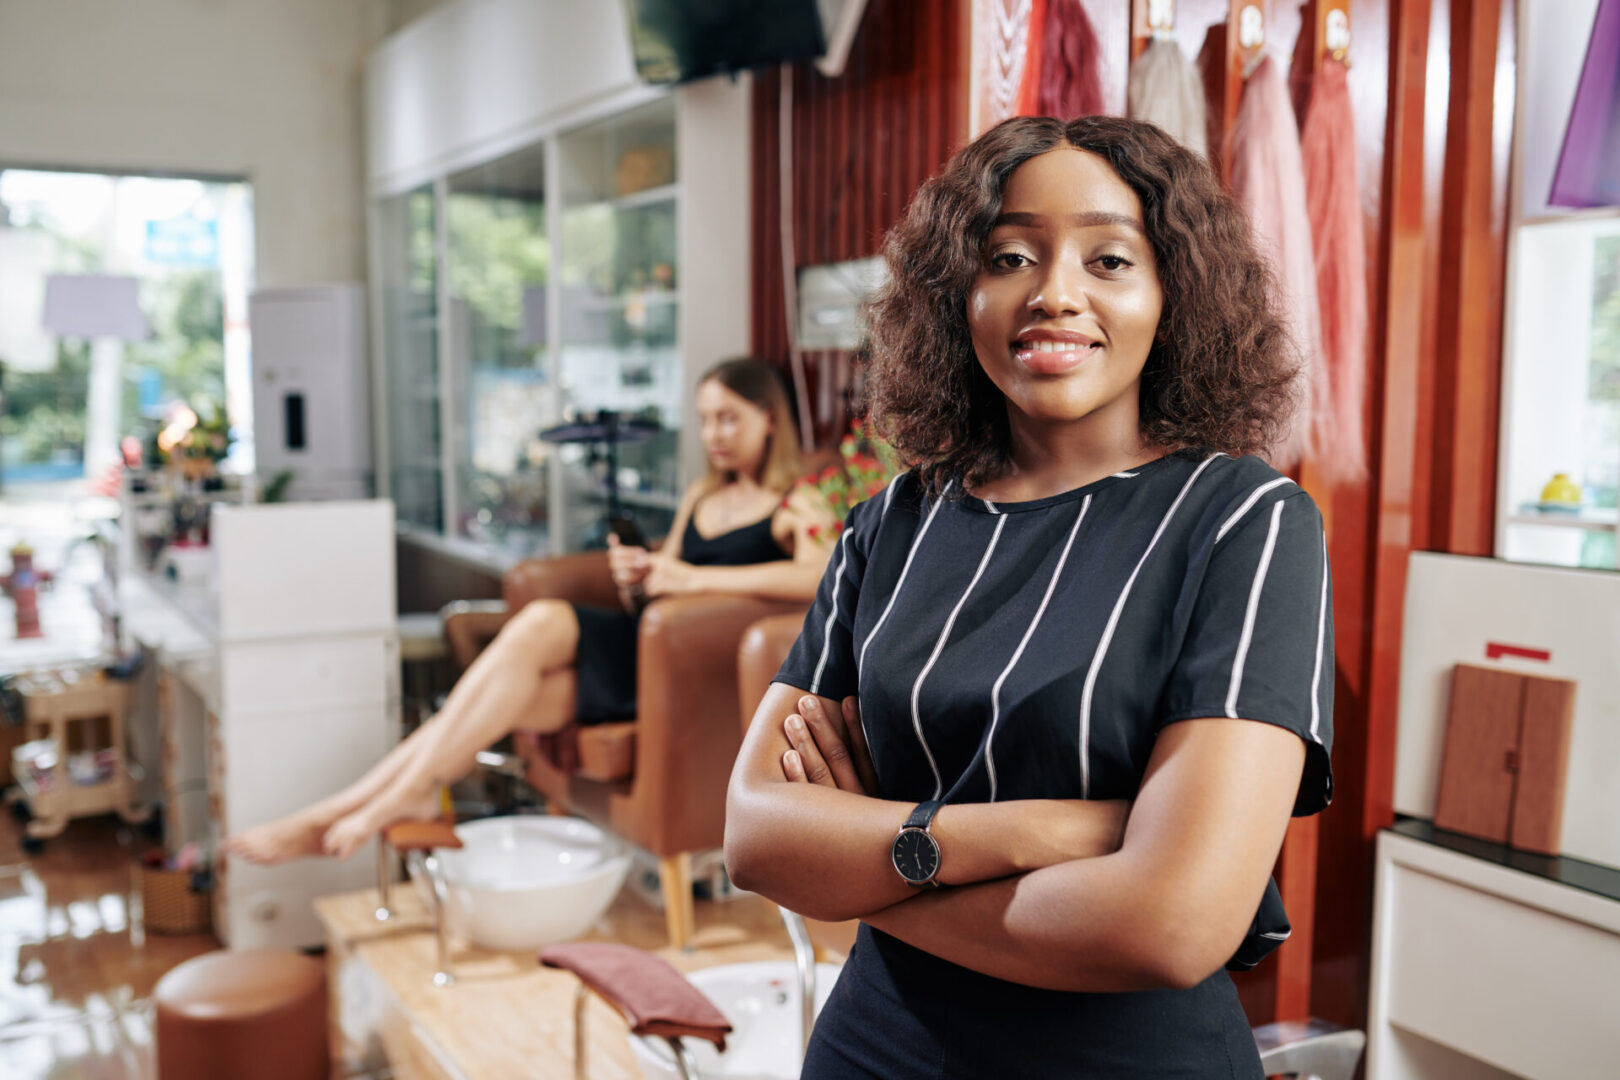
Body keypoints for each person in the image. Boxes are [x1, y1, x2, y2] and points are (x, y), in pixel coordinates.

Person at [724, 115, 1334, 1079]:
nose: (1054, 294)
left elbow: (1172, 925)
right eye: (1008, 254)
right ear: (956, 294)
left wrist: (865, 872)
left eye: (1109, 260)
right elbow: (755, 836)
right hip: (872, 1048)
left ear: (1173, 295)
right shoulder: (892, 522)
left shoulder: (1246, 523)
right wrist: (1029, 832)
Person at [227, 358, 835, 864]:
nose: (715, 435)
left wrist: (692, 577)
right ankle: (360, 804)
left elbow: (818, 572)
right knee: (480, 711)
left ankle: (379, 799)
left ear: (769, 419)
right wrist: (640, 578)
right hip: (643, 643)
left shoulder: (794, 499)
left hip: (674, 670)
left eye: (729, 418)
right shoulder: (704, 494)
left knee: (543, 620)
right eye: (705, 420)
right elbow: (660, 591)